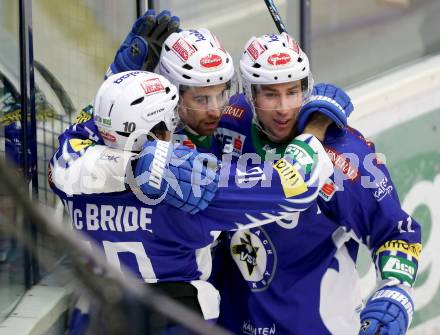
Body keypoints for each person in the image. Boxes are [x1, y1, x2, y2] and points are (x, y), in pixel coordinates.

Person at [54, 10, 422, 334]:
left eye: (293, 92)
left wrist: (395, 287)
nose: (282, 108)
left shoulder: (73, 169)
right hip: (220, 320)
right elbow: (289, 186)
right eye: (269, 94)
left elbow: (396, 230)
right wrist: (315, 130)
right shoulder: (219, 141)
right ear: (249, 92)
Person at [49, 70, 334, 334]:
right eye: (171, 120)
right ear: (155, 130)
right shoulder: (188, 185)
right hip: (176, 320)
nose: (176, 128)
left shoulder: (73, 174)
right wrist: (315, 128)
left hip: (95, 319)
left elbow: (76, 135)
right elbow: (297, 184)